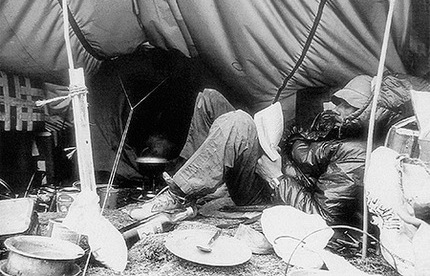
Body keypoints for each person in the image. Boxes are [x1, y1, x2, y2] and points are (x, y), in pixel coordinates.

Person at [128, 74, 409, 226]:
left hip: (271, 193)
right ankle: (194, 184)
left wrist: (277, 177)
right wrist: (273, 142)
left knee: (238, 121)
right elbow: (301, 154)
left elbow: (325, 217)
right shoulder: (331, 127)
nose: (334, 107)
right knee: (210, 99)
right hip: (270, 168)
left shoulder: (356, 154)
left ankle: (178, 196)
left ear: (364, 111)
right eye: (337, 100)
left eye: (345, 104)